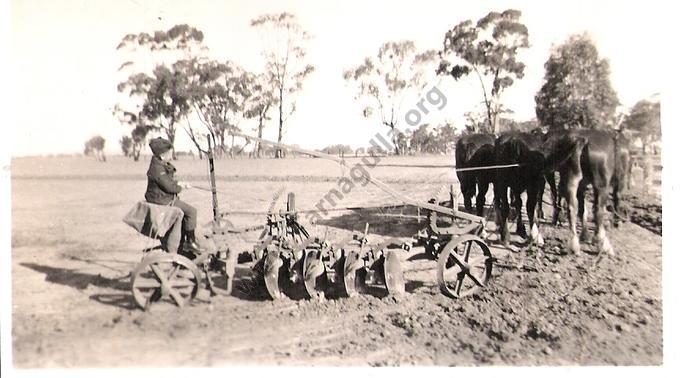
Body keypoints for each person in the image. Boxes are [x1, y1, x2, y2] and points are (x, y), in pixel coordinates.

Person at [145, 137, 204, 256]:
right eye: (169, 153)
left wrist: (179, 184)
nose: (171, 155)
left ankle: (185, 242)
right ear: (162, 155)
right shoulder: (158, 169)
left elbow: (167, 182)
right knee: (191, 212)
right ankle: (190, 242)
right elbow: (169, 187)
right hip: (162, 200)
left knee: (186, 212)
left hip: (160, 197)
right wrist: (180, 187)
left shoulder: (158, 165)